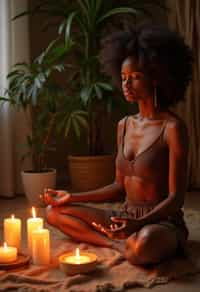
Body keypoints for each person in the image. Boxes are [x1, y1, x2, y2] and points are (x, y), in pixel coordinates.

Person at [44, 24, 193, 266]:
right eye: (123, 78)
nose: (126, 84)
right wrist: (70, 197)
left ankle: (136, 243)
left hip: (161, 221)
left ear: (156, 78)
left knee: (144, 245)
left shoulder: (173, 128)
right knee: (54, 213)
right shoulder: (124, 125)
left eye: (135, 77)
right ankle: (117, 244)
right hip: (124, 215)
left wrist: (140, 223)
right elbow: (117, 186)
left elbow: (176, 198)